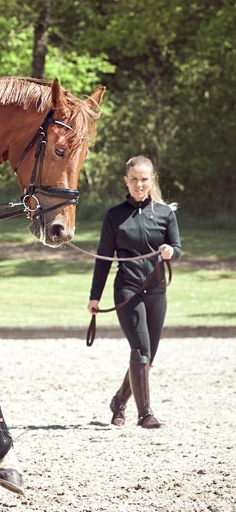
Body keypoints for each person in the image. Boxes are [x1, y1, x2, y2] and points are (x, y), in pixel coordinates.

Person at [87, 155, 182, 428]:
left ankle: (119, 401)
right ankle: (145, 414)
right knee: (139, 349)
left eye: (144, 179)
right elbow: (103, 258)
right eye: (134, 179)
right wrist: (95, 296)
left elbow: (177, 249)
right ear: (126, 181)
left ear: (152, 180)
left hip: (157, 290)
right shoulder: (114, 216)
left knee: (148, 356)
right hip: (127, 289)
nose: (139, 184)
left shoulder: (166, 214)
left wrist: (170, 252)